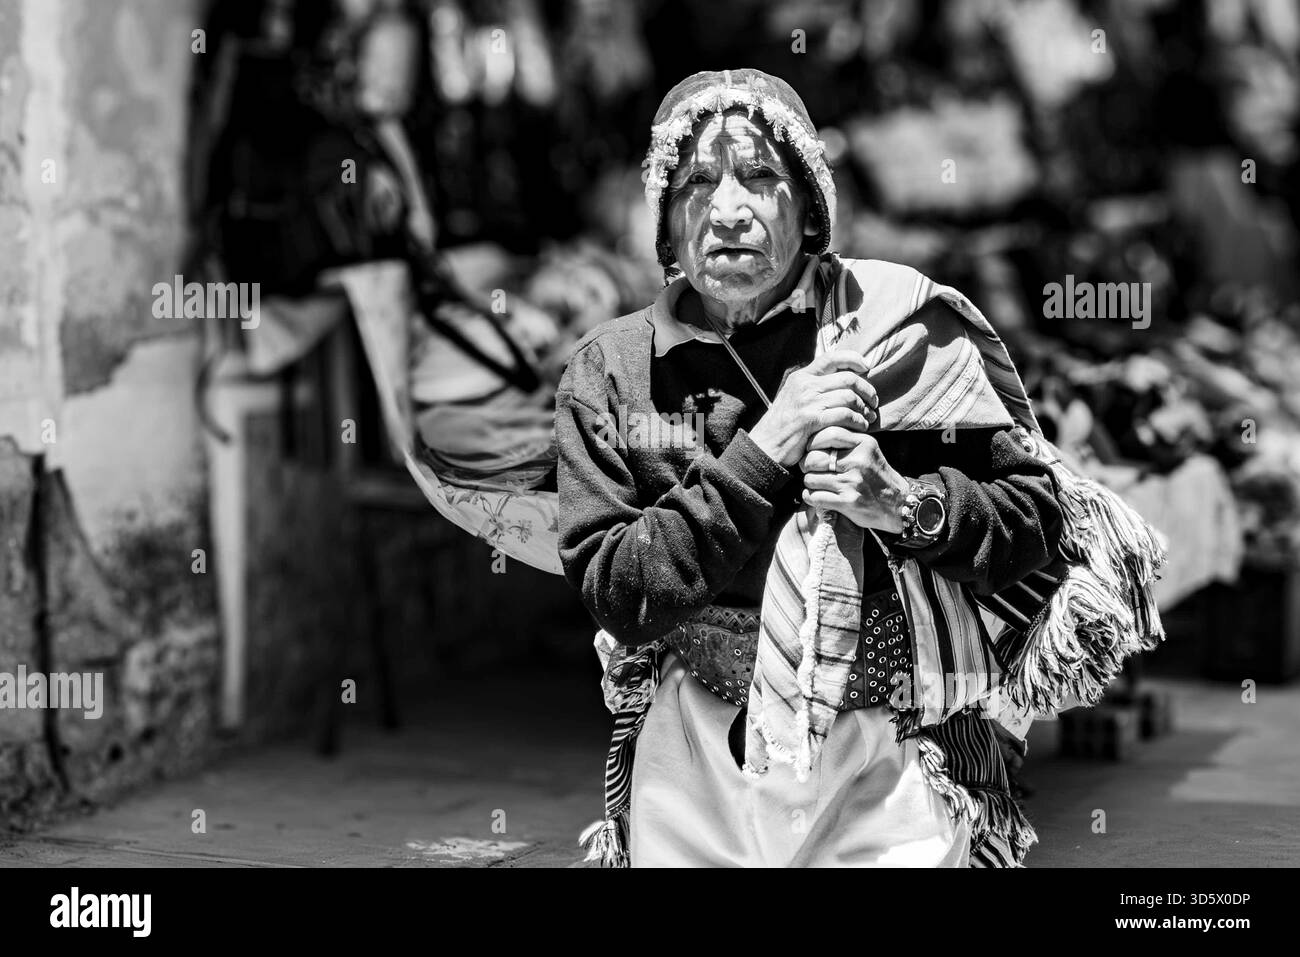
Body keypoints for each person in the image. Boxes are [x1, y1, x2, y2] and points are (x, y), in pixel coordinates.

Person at [555, 69, 1165, 867]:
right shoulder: (613, 369)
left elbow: (1036, 523)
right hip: (695, 747)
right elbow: (618, 594)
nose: (729, 208)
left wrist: (908, 506)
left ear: (811, 211)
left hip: (891, 752)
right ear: (666, 227)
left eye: (762, 176)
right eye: (697, 182)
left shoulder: (899, 331)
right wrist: (769, 448)